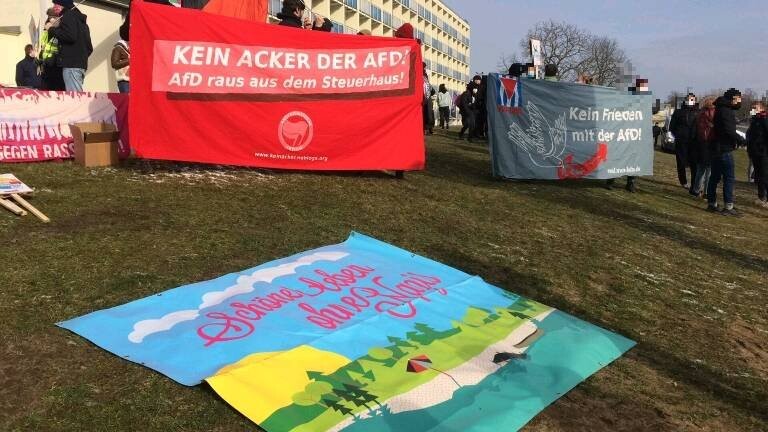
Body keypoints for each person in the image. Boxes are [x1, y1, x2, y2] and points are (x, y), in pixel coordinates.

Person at [707, 88, 746, 215]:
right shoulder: (726, 111)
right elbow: (729, 130)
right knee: (729, 178)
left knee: (714, 177)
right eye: (739, 98)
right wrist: (741, 140)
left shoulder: (721, 108)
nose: (740, 101)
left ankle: (712, 203)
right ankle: (728, 206)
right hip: (723, 149)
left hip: (717, 148)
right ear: (733, 98)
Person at [47, 0, 93, 92]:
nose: (54, 6)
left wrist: (51, 29)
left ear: (62, 5)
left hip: (71, 65)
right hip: (79, 64)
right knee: (77, 95)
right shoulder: (80, 20)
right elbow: (89, 47)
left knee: (75, 97)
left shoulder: (68, 15)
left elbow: (70, 36)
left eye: (56, 4)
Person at [669, 93, 699, 190]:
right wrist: (678, 134)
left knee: (694, 163)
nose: (690, 101)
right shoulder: (678, 112)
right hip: (681, 141)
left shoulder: (698, 112)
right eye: (688, 99)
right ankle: (683, 181)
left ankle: (694, 184)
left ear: (695, 101)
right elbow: (672, 127)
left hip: (694, 142)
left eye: (692, 99)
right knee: (681, 162)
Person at [691, 96, 716, 199]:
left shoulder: (700, 114)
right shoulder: (714, 114)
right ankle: (706, 192)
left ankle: (696, 190)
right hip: (710, 143)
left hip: (700, 143)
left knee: (700, 169)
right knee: (709, 171)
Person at [746, 101, 768, 208]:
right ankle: (761, 197)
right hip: (755, 152)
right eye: (752, 107)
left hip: (763, 153)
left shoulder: (765, 119)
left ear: (762, 108)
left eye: (755, 107)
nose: (753, 109)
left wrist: (763, 147)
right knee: (758, 176)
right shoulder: (754, 120)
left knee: (765, 175)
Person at [39, 9, 65, 91]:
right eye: (49, 17)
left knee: (58, 91)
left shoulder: (61, 31)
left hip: (57, 67)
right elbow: (43, 48)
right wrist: (39, 58)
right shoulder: (45, 31)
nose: (50, 20)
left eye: (52, 18)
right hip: (46, 67)